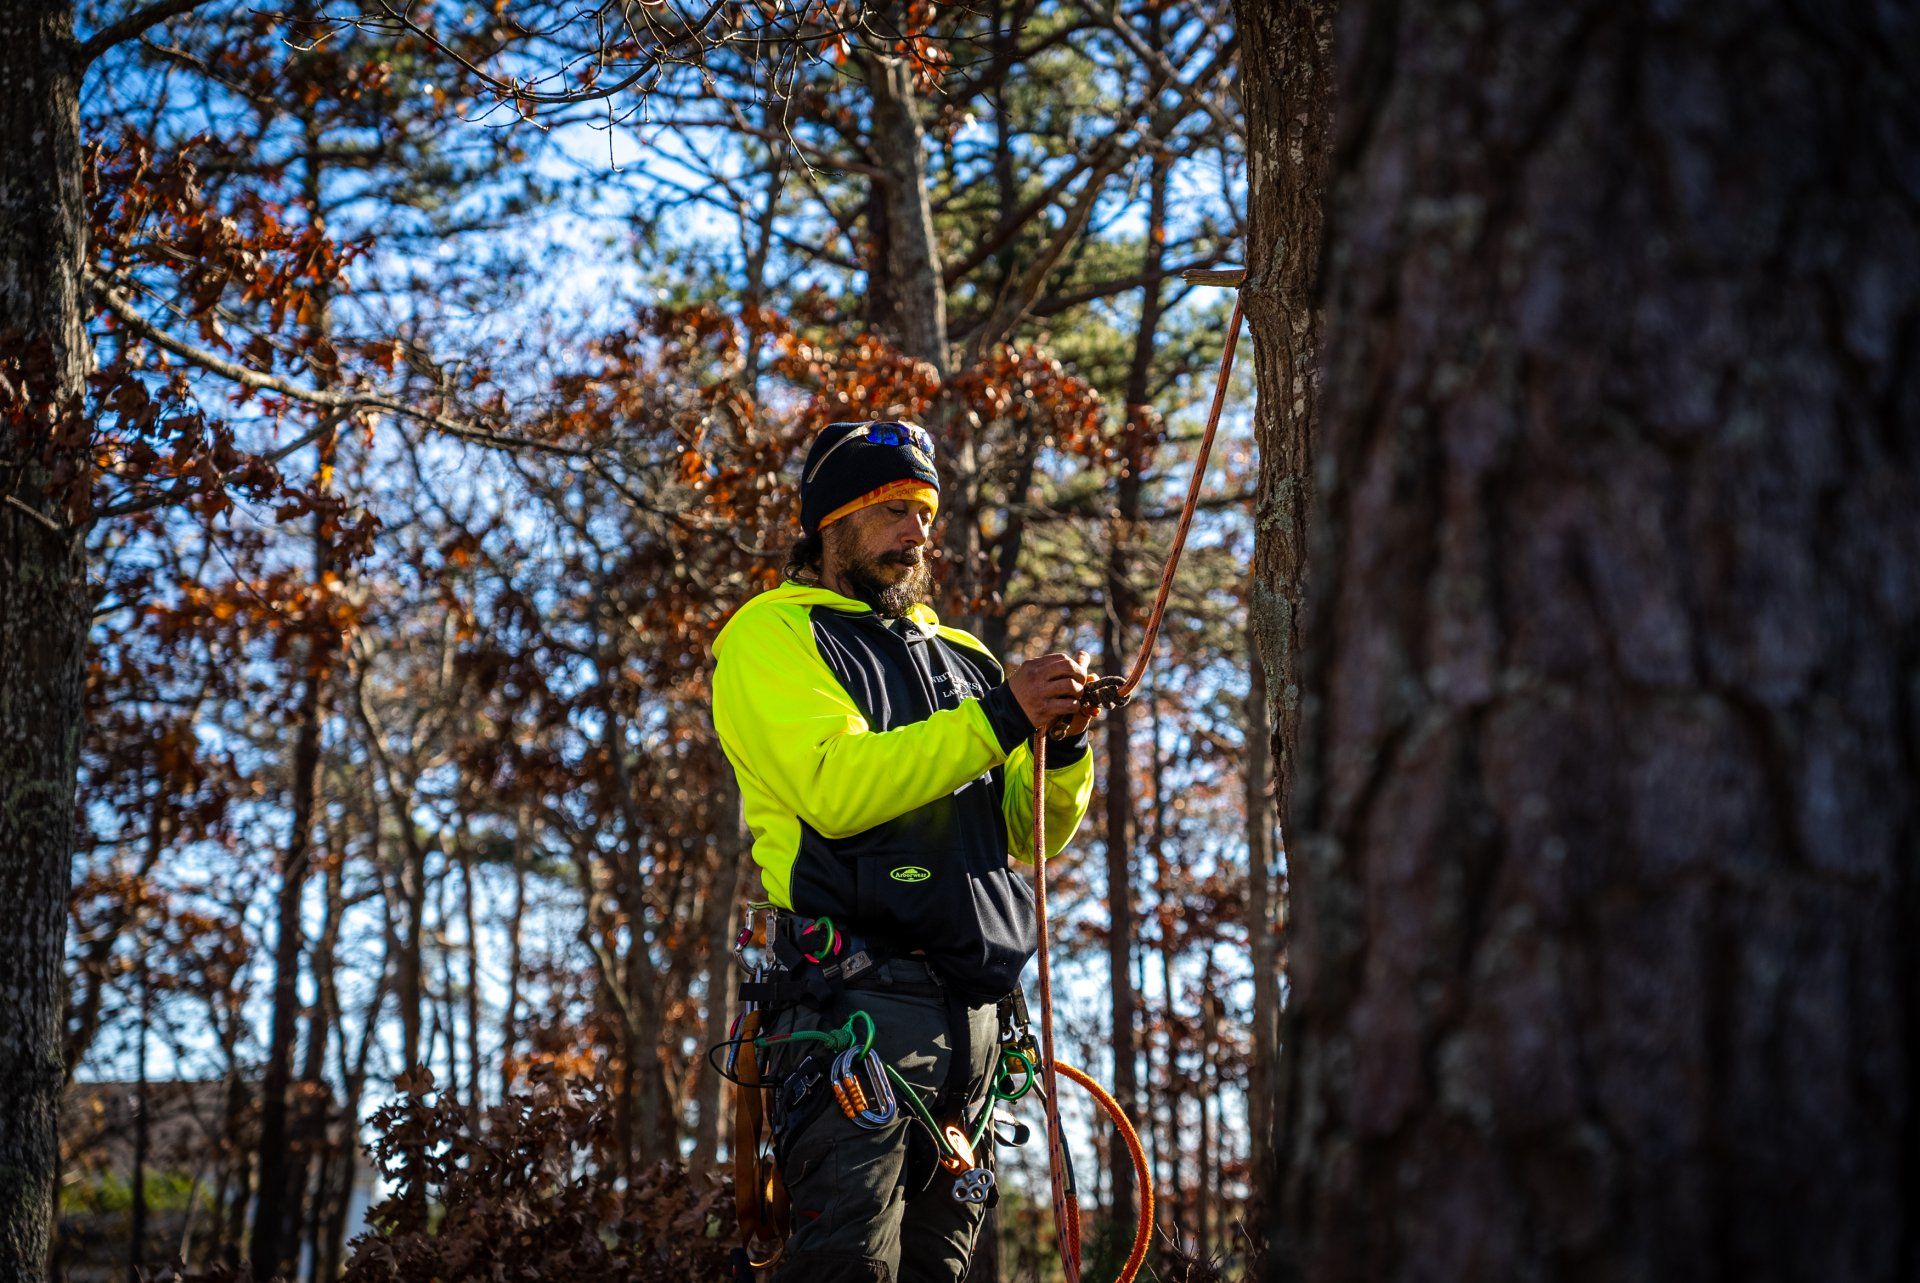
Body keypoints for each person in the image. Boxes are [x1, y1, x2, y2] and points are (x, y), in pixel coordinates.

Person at [710, 420, 1100, 1283]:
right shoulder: (772, 636)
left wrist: (1062, 747)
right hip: (852, 1017)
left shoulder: (963, 657)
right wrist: (1003, 716)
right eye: (892, 509)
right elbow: (834, 787)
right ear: (830, 522)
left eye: (925, 512)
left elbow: (1023, 831)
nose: (916, 531)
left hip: (973, 1032)